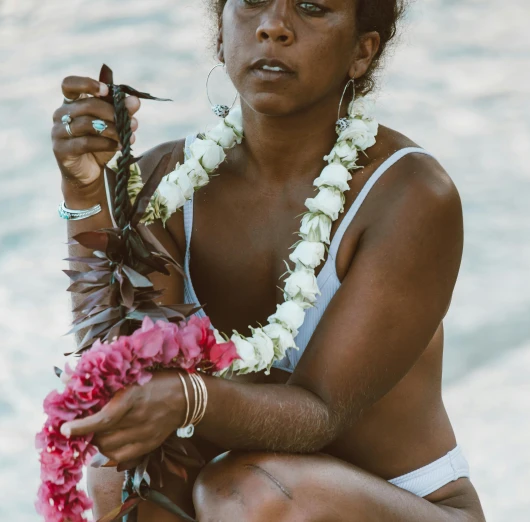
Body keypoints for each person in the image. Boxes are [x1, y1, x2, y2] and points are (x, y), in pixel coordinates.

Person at [50, 1, 486, 520]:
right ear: (220, 33)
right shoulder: (167, 182)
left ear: (361, 52)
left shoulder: (408, 196)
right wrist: (83, 193)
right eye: (252, 1)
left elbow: (320, 412)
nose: (273, 26)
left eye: (311, 7)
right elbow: (117, 368)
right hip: (242, 493)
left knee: (242, 493)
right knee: (120, 472)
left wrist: (190, 399)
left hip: (403, 506)